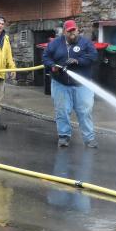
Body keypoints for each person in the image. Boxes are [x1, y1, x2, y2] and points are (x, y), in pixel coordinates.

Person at [42, 20, 98, 148]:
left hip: (82, 85)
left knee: (85, 111)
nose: (72, 33)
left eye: (74, 30)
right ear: (64, 32)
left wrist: (78, 61)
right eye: (69, 31)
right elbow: (46, 57)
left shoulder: (85, 43)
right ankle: (64, 136)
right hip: (60, 83)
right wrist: (52, 66)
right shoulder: (55, 44)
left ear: (77, 30)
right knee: (62, 111)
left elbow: (93, 56)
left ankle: (89, 138)